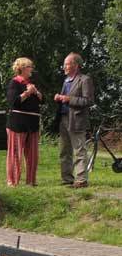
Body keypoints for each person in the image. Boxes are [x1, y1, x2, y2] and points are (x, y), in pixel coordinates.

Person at [53, 53, 95, 188]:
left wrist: (68, 99)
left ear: (75, 65)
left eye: (67, 64)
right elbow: (65, 98)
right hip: (63, 118)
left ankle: (81, 180)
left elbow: (88, 100)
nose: (64, 67)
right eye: (64, 64)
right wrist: (59, 98)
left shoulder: (84, 79)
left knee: (79, 150)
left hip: (76, 120)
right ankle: (67, 179)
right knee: (64, 151)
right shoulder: (66, 80)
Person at [5, 57, 42, 186]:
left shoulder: (31, 83)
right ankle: (13, 181)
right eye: (29, 67)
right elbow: (13, 102)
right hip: (18, 123)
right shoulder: (14, 83)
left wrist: (36, 92)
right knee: (15, 154)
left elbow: (42, 100)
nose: (31, 69)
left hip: (32, 123)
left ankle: (31, 181)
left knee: (33, 155)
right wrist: (27, 93)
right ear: (21, 68)